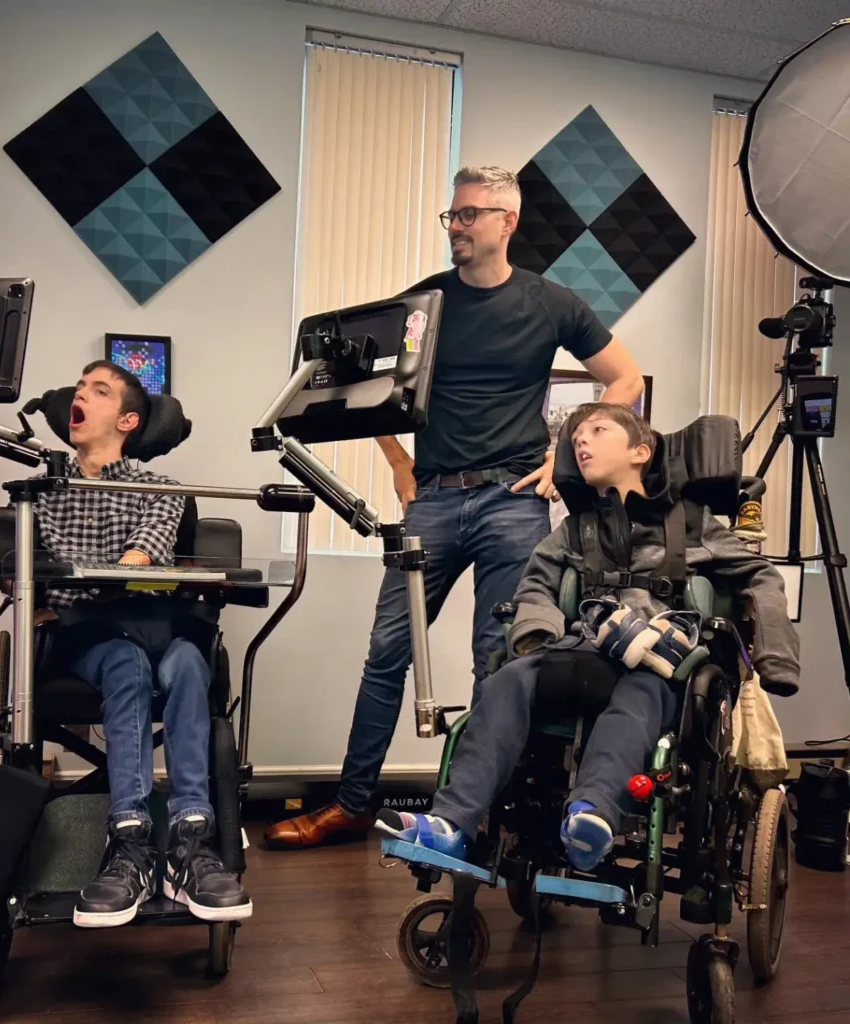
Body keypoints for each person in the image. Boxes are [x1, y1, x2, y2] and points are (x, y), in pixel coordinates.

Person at [266, 165, 645, 849]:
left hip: (513, 503)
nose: (457, 227)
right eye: (452, 215)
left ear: (508, 221)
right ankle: (353, 804)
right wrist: (397, 462)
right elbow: (357, 381)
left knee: (497, 661)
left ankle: (470, 818)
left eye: (470, 215)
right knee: (387, 651)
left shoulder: (552, 303)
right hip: (435, 499)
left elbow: (626, 378)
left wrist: (561, 457)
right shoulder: (423, 305)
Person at [0, 361, 252, 928]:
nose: (82, 395)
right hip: (92, 639)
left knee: (191, 665)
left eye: (98, 391)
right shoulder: (37, 496)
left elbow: (138, 558)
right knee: (126, 663)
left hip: (160, 628)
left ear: (128, 420)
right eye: (79, 389)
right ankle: (130, 843)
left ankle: (191, 840)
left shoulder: (161, 491)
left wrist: (74, 579)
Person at [374, 403, 800, 869]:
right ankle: (451, 824)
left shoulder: (695, 524)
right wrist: (538, 633)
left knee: (639, 695)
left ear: (641, 452)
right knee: (508, 679)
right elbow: (534, 585)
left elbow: (761, 576)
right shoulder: (575, 530)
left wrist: (776, 657)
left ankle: (591, 814)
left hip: (655, 662)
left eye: (598, 430)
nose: (581, 440)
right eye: (576, 436)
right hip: (579, 650)